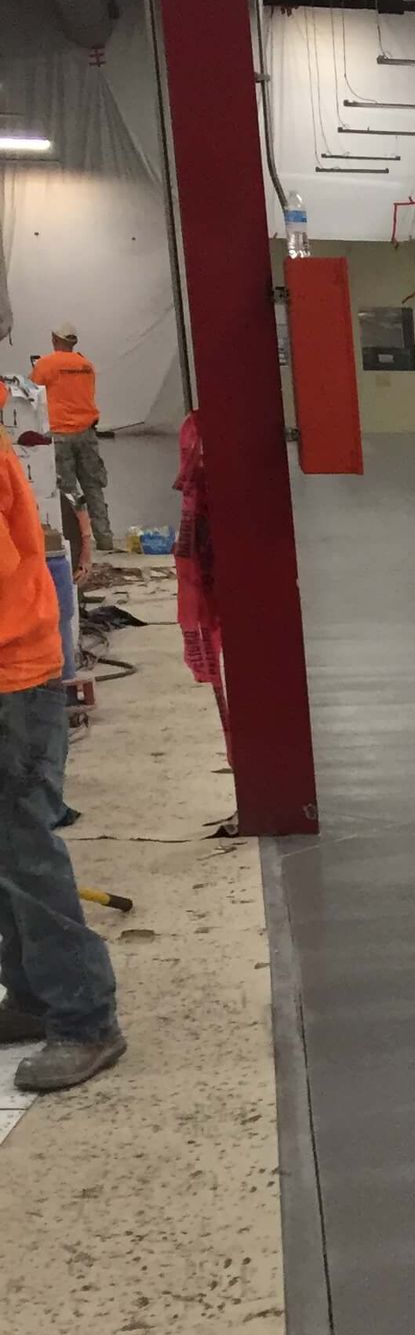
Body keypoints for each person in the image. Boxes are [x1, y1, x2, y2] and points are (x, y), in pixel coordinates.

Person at [0, 421, 123, 1092]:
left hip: (10, 679)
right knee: (7, 852)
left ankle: (85, 1018)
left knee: (26, 853)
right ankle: (31, 996)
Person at [30, 325, 112, 554]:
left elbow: (32, 392)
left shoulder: (45, 364)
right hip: (87, 433)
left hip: (60, 436)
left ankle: (74, 543)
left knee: (66, 492)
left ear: (55, 339)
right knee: (93, 486)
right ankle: (105, 540)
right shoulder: (87, 365)